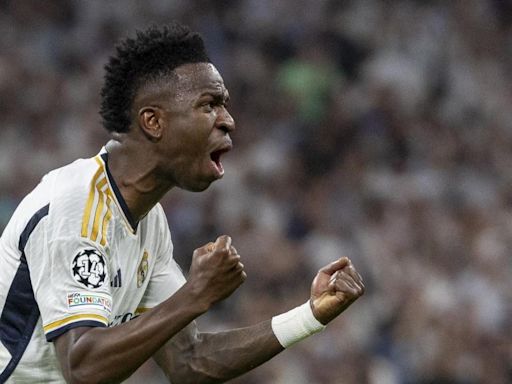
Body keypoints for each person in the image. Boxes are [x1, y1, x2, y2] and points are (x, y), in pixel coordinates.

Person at [0, 23, 364, 383]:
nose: (229, 121)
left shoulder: (148, 219)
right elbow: (82, 368)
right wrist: (194, 294)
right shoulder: (75, 207)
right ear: (153, 121)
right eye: (210, 105)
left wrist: (310, 316)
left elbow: (189, 361)